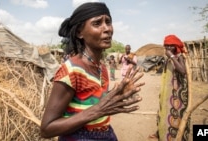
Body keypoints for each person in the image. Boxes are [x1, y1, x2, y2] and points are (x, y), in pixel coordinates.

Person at [40, 2, 145, 141]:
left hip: (106, 134)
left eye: (108, 22)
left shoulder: (101, 67)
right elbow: (47, 129)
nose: (107, 28)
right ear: (79, 32)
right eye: (97, 23)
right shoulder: (71, 71)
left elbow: (89, 101)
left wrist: (118, 94)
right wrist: (98, 110)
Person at [149, 34, 190, 141]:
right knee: (165, 112)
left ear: (176, 46)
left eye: (171, 46)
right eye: (166, 46)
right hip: (169, 93)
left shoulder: (179, 56)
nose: (168, 48)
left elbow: (182, 71)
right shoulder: (168, 58)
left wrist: (171, 56)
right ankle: (162, 134)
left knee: (176, 115)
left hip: (178, 94)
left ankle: (176, 137)